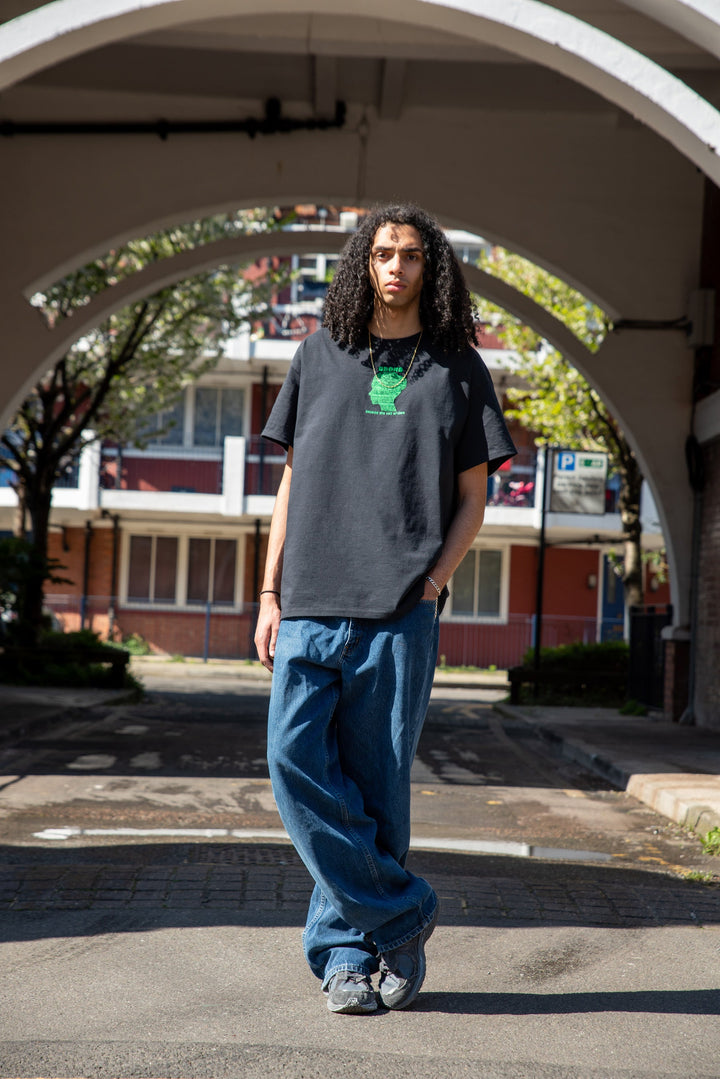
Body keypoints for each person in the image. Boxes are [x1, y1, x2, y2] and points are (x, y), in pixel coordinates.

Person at [255, 203, 516, 1014]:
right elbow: (293, 481)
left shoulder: (458, 369)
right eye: (381, 254)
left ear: (429, 267)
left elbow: (476, 494)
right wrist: (267, 591)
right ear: (362, 265)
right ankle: (402, 913)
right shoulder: (317, 356)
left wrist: (436, 580)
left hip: (400, 609)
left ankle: (345, 956)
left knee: (376, 787)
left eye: (409, 254)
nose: (395, 267)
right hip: (308, 602)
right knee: (292, 763)